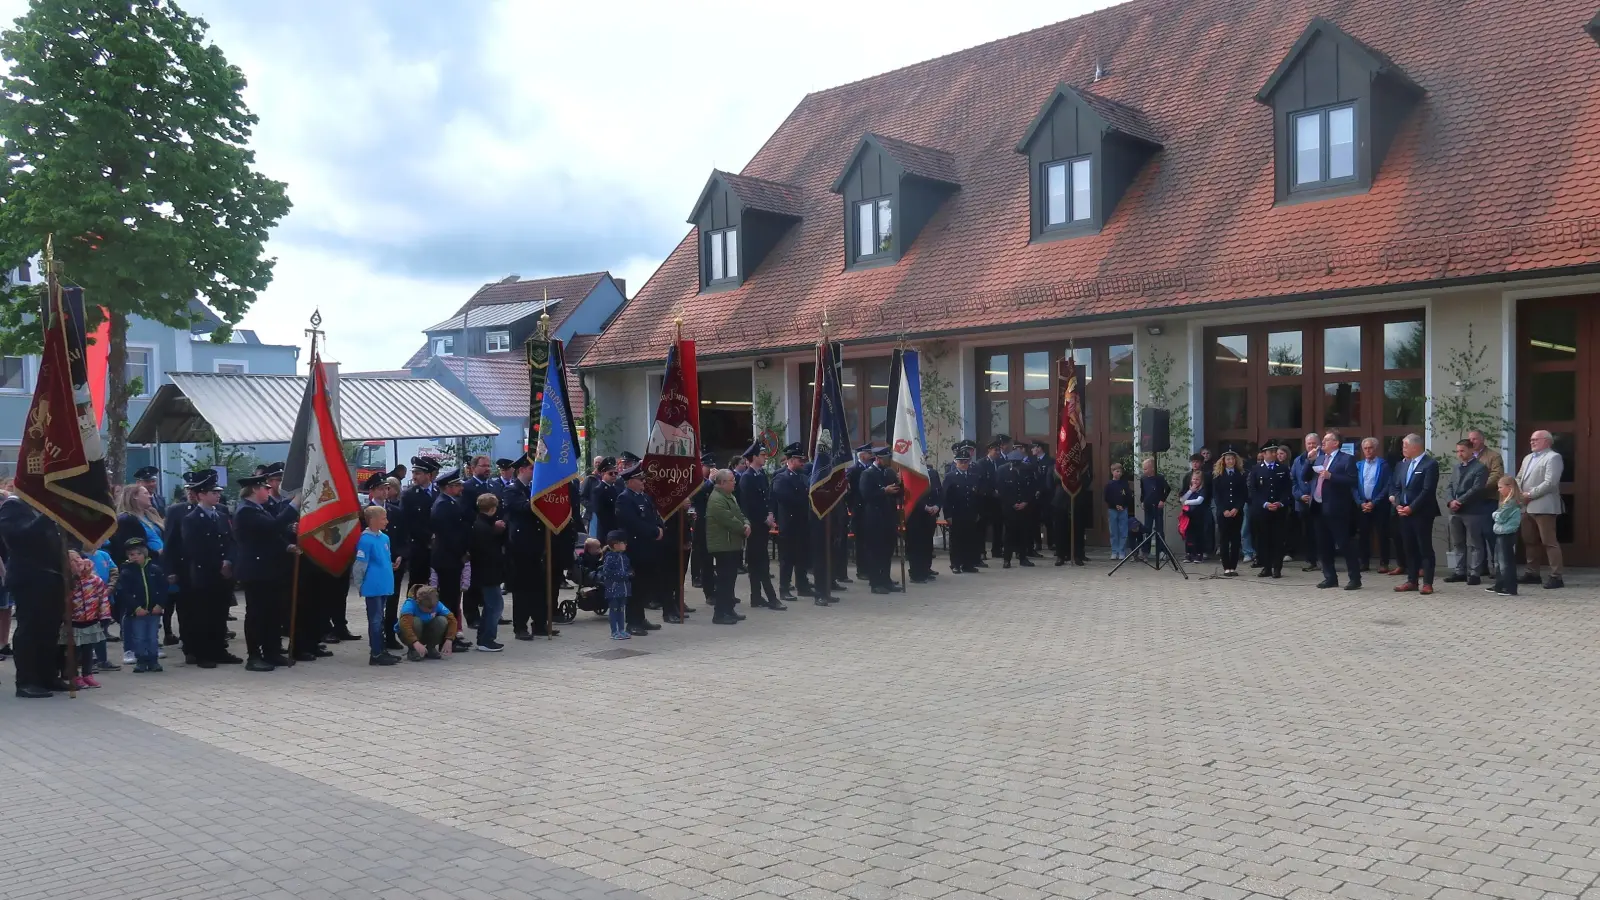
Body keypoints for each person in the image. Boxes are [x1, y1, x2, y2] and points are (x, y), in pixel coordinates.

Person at [0, 495, 68, 698]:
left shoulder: (45, 505)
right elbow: (18, 537)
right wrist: (47, 515)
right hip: (30, 576)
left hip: (54, 576)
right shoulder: (14, 505)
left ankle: (48, 676)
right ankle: (27, 681)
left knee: (50, 629)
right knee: (30, 628)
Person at [233, 474, 299, 670]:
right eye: (265, 488)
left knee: (273, 613)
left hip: (269, 570)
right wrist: (294, 504)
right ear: (255, 489)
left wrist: (286, 547)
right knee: (256, 614)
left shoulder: (258, 509)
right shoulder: (246, 511)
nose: (268, 491)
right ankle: (254, 656)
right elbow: (273, 526)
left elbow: (271, 535)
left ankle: (271, 651)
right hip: (256, 571)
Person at [181, 469, 242, 668]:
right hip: (205, 574)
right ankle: (203, 653)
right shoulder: (192, 519)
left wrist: (229, 561)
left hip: (224, 575)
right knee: (204, 615)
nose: (217, 495)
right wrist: (218, 565)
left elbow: (232, 541)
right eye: (212, 492)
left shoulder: (222, 515)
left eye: (217, 492)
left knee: (220, 614)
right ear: (200, 495)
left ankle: (219, 649)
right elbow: (194, 549)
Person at [111, 483, 177, 647]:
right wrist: (156, 553)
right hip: (140, 568)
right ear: (134, 496)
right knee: (138, 605)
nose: (150, 496)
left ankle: (151, 639)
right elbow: (130, 546)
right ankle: (134, 644)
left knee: (157, 602)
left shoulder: (150, 514)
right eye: (145, 493)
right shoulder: (127, 519)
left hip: (157, 566)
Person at [501, 454, 552, 640]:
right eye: (532, 469)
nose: (534, 472)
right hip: (520, 547)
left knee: (539, 587)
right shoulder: (511, 490)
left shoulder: (532, 489)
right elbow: (523, 509)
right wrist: (541, 496)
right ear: (521, 470)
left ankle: (539, 623)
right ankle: (520, 626)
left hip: (537, 545)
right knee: (522, 589)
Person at [614, 462, 666, 633]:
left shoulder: (644, 497)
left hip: (648, 547)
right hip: (635, 547)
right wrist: (653, 531)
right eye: (640, 479)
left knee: (645, 584)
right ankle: (633, 622)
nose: (644, 481)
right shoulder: (624, 498)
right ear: (630, 481)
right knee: (635, 586)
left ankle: (641, 618)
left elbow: (654, 516)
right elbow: (633, 523)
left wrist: (660, 528)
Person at [1390, 433, 1440, 594]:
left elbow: (1427, 490)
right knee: (1409, 547)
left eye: (1405, 445)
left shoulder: (1430, 464)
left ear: (1415, 446)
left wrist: (1412, 507)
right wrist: (1398, 505)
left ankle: (1427, 583)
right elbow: (1396, 487)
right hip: (1403, 512)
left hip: (1421, 513)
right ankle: (1411, 581)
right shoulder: (1402, 465)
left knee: (1424, 547)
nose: (1402, 449)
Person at [1311, 430, 1361, 590]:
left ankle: (1355, 578)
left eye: (1326, 440)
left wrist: (1331, 476)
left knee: (1344, 543)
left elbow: (1353, 480)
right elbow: (1307, 476)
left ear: (1336, 443)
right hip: (1318, 507)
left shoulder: (1346, 459)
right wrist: (1308, 460)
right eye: (1323, 440)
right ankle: (1330, 577)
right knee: (1323, 545)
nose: (1322, 443)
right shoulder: (1319, 458)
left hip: (1337, 509)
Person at [353, 505, 402, 666]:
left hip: (384, 584)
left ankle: (382, 648)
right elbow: (360, 565)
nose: (386, 521)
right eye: (383, 518)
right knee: (375, 620)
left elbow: (384, 558)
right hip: (373, 586)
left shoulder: (384, 538)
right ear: (372, 520)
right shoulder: (365, 540)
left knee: (380, 619)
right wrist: (360, 585)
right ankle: (376, 653)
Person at [1516, 429, 1564, 590]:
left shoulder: (1553, 457)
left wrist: (1530, 494)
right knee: (1530, 541)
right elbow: (1519, 477)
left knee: (1549, 541)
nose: (1532, 442)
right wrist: (1516, 492)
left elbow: (1550, 482)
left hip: (1544, 505)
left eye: (1536, 439)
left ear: (1547, 441)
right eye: (1531, 439)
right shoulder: (1528, 458)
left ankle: (1556, 576)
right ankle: (1532, 573)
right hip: (1526, 505)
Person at [737, 444, 783, 609]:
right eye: (762, 455)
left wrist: (770, 513)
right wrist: (763, 518)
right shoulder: (747, 477)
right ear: (754, 457)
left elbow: (767, 497)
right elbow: (748, 505)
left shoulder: (761, 474)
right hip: (754, 526)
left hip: (763, 524)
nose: (765, 457)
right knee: (760, 562)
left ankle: (756, 597)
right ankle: (771, 598)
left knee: (757, 562)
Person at [1444, 438, 1492, 586]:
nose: (1460, 454)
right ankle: (1460, 572)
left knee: (1474, 543)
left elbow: (1477, 489)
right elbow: (1450, 486)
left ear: (1472, 450)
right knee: (1458, 542)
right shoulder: (1456, 467)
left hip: (1473, 511)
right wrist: (1451, 501)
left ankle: (1474, 573)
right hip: (1455, 511)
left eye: (1463, 451)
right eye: (1458, 451)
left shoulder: (1480, 468)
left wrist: (1460, 501)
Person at [704, 469, 750, 624]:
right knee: (724, 580)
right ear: (722, 483)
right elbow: (728, 519)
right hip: (723, 545)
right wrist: (743, 528)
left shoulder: (729, 496)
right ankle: (720, 614)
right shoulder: (716, 499)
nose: (734, 482)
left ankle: (729, 609)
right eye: (731, 480)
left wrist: (746, 523)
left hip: (732, 544)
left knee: (730, 580)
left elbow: (739, 514)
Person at [116, 538, 166, 673]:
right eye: (132, 554)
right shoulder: (126, 572)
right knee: (139, 637)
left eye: (138, 553)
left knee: (152, 636)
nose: (135, 557)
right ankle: (141, 659)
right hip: (137, 612)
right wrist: (136, 608)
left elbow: (163, 589)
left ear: (144, 553)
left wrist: (160, 604)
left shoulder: (155, 570)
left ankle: (153, 659)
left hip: (154, 610)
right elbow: (124, 592)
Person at [770, 444, 812, 601]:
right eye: (800, 460)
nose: (803, 463)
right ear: (791, 460)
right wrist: (804, 497)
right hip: (789, 524)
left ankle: (803, 585)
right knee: (787, 559)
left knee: (802, 557)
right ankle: (784, 588)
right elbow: (785, 498)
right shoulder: (781, 478)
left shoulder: (803, 476)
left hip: (802, 523)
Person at [66, 550, 111, 690]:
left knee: (88, 650)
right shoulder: (68, 582)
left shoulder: (95, 580)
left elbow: (103, 597)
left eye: (79, 558)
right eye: (73, 560)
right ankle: (75, 676)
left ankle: (88, 674)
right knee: (74, 651)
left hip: (91, 620)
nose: (78, 561)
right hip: (74, 622)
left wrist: (104, 615)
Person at [1464, 428, 1506, 578]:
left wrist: (1479, 487)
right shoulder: (1468, 457)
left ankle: (1497, 567)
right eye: (1470, 439)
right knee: (1476, 535)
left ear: (1482, 440)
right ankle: (1480, 567)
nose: (1471, 442)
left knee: (1490, 533)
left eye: (1474, 439)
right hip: (1472, 502)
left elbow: (1497, 475)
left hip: (1487, 499)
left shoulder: (1493, 456)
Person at [468, 492, 507, 652]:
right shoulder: (484, 528)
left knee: (492, 605)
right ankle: (487, 639)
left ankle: (484, 637)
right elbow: (490, 553)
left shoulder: (480, 524)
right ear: (492, 509)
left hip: (484, 572)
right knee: (495, 606)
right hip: (488, 573)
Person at [1249, 444, 1293, 578]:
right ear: (1264, 454)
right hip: (1263, 510)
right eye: (1271, 452)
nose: (1274, 454)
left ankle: (1277, 568)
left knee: (1278, 540)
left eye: (1275, 451)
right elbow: (1253, 490)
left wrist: (1280, 503)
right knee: (1264, 539)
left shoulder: (1283, 469)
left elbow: (1287, 489)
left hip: (1279, 510)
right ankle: (1266, 567)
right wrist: (1265, 503)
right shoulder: (1256, 469)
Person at [401, 457, 439, 597]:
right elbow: (407, 523)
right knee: (416, 584)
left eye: (418, 473)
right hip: (419, 547)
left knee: (436, 583)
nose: (414, 477)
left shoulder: (438, 491)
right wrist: (428, 537)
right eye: (413, 473)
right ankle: (411, 615)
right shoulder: (409, 495)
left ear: (428, 475)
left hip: (439, 546)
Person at [1353, 438, 1392, 575]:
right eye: (1365, 448)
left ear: (1375, 449)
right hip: (1363, 505)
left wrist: (1374, 502)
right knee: (1363, 534)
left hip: (1379, 505)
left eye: (1370, 448)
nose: (1368, 450)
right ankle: (1364, 562)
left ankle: (1384, 563)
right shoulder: (1358, 465)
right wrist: (1360, 502)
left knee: (1382, 534)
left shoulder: (1383, 465)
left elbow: (1387, 485)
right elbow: (1354, 486)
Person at [942, 447, 981, 574]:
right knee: (956, 540)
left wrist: (977, 512)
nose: (964, 464)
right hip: (956, 513)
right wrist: (947, 515)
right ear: (956, 462)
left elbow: (977, 497)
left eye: (966, 461)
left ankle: (967, 564)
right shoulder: (950, 477)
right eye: (961, 462)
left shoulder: (974, 477)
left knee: (969, 539)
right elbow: (946, 498)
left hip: (970, 513)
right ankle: (955, 564)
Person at [396, 585, 457, 661]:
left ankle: (431, 648)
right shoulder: (409, 605)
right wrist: (415, 642)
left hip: (426, 631)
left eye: (434, 607)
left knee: (442, 621)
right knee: (416, 622)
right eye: (428, 608)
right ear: (418, 603)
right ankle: (413, 650)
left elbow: (452, 620)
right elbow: (405, 626)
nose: (432, 610)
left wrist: (449, 639)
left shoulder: (436, 603)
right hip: (408, 635)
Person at [996, 447, 1033, 569]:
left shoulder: (1027, 469)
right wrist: (1012, 503)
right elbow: (1001, 490)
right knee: (1009, 534)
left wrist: (1025, 502)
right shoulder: (1002, 470)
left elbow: (1031, 488)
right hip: (1009, 508)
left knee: (1024, 533)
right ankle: (1007, 559)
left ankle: (1023, 558)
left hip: (1024, 507)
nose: (1016, 466)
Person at [1213, 451, 1248, 576]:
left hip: (1236, 512)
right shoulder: (1218, 476)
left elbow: (1243, 494)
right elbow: (1217, 495)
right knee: (1224, 539)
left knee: (1235, 539)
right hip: (1223, 512)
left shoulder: (1241, 475)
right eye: (1228, 459)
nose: (1230, 461)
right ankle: (1226, 566)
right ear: (1224, 461)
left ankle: (1233, 566)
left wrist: (1236, 508)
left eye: (1232, 459)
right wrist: (1224, 510)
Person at [1488, 476, 1524, 598]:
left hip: (1507, 534)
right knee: (1498, 561)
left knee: (1506, 562)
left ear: (1510, 487)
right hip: (1500, 533)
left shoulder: (1511, 502)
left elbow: (1500, 517)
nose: (1499, 490)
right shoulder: (1506, 502)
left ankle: (1510, 587)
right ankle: (1499, 584)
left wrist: (1494, 514)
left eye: (1500, 487)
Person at [1291, 432, 1321, 573]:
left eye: (1313, 443)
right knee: (1308, 533)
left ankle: (1325, 560)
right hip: (1303, 504)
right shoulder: (1298, 460)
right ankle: (1311, 561)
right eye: (1309, 443)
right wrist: (1300, 495)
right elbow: (1293, 481)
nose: (1311, 446)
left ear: (1318, 444)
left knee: (1320, 533)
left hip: (1319, 503)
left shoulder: (1324, 458)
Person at [906, 462, 941, 583]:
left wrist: (937, 506)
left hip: (930, 514)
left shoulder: (932, 473)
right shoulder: (911, 473)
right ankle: (916, 573)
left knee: (927, 544)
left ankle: (925, 569)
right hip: (915, 515)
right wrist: (924, 507)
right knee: (916, 546)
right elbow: (910, 494)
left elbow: (938, 492)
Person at [600, 530, 633, 639]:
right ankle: (614, 631)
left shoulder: (624, 557)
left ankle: (621, 630)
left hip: (624, 589)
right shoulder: (610, 558)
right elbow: (607, 573)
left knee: (621, 610)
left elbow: (628, 568)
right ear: (616, 545)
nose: (626, 545)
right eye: (623, 542)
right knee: (614, 610)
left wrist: (630, 573)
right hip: (613, 590)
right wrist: (624, 575)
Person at [1138, 458, 1170, 564]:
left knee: (1159, 529)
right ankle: (1145, 552)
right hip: (1148, 507)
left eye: (1146, 468)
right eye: (1143, 469)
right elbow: (1143, 492)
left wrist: (1162, 500)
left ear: (1152, 468)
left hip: (1157, 506)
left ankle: (1162, 551)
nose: (1144, 471)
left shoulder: (1159, 478)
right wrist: (1142, 501)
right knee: (1147, 529)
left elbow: (1168, 488)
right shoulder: (1143, 478)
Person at [1104, 463, 1132, 560]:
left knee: (1123, 531)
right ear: (1112, 472)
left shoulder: (1124, 484)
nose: (1119, 473)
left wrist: (1123, 506)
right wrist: (1115, 505)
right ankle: (1114, 551)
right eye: (1117, 471)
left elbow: (1128, 496)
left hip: (1123, 510)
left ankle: (1122, 551)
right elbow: (1107, 498)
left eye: (1120, 472)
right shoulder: (1109, 485)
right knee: (1114, 531)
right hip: (1112, 510)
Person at [1178, 472, 1207, 563]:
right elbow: (1182, 499)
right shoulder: (1189, 489)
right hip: (1188, 516)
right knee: (1188, 535)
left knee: (1198, 535)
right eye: (1194, 479)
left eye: (1197, 479)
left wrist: (1186, 502)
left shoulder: (1202, 490)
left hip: (1198, 516)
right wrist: (1190, 491)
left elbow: (1199, 501)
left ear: (1201, 481)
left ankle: (1199, 554)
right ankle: (1189, 553)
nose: (1195, 481)